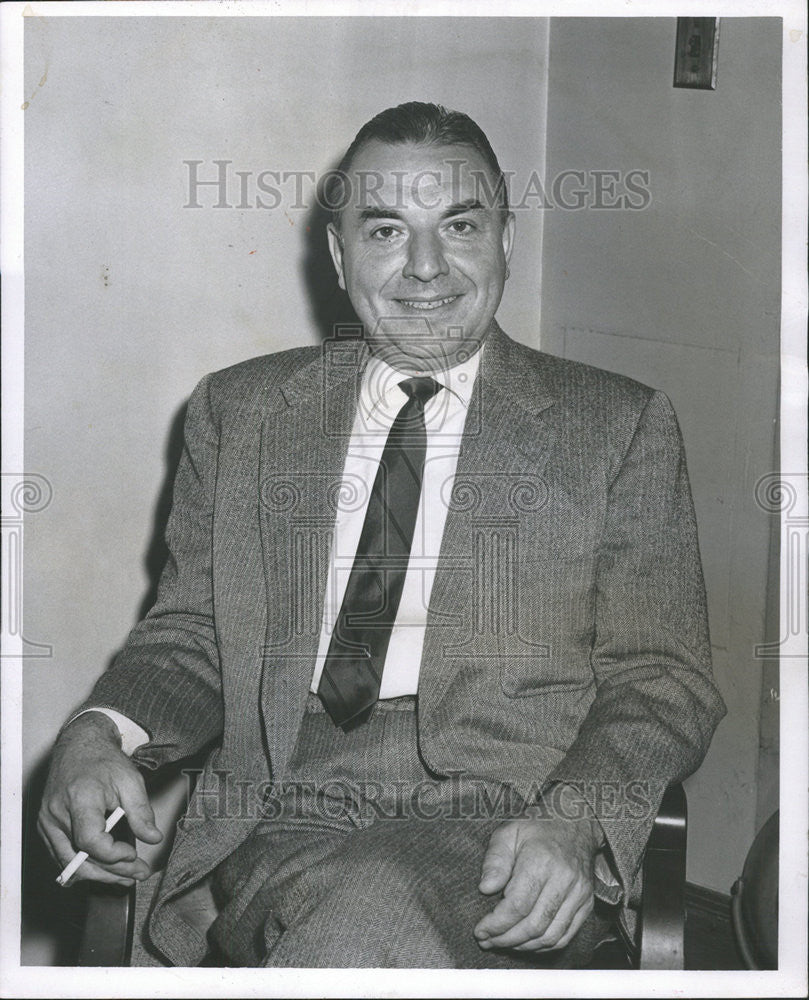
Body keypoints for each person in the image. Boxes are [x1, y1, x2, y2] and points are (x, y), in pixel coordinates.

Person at [39, 102, 726, 969]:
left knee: (368, 911)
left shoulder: (615, 426)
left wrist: (575, 813)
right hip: (283, 803)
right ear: (338, 256)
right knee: (356, 905)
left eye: (460, 225)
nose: (427, 266)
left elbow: (662, 676)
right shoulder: (242, 412)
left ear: (505, 242)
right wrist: (100, 731)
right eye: (387, 230)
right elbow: (193, 635)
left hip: (508, 818)